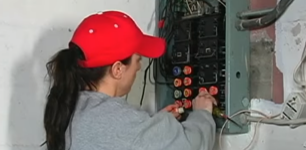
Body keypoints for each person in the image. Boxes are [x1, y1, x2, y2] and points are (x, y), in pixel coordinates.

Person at [43, 10, 217, 150]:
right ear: (118, 69)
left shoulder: (72, 105)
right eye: (138, 59)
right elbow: (193, 145)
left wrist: (154, 126)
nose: (139, 67)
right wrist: (202, 113)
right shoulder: (117, 122)